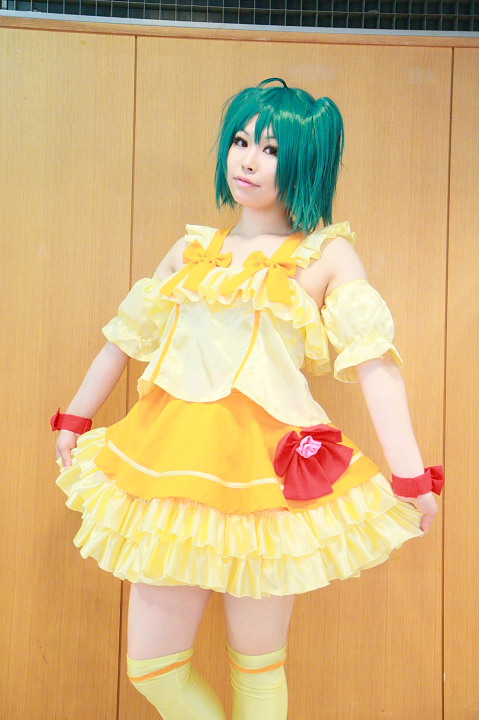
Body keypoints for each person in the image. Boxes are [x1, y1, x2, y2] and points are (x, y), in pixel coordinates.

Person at [52, 78, 444, 720]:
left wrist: (411, 476)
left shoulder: (326, 256)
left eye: (271, 148)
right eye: (241, 141)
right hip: (168, 463)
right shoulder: (190, 251)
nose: (249, 160)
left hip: (270, 474)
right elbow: (126, 337)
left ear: (306, 163)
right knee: (153, 669)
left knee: (258, 671)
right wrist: (75, 415)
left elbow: (374, 360)